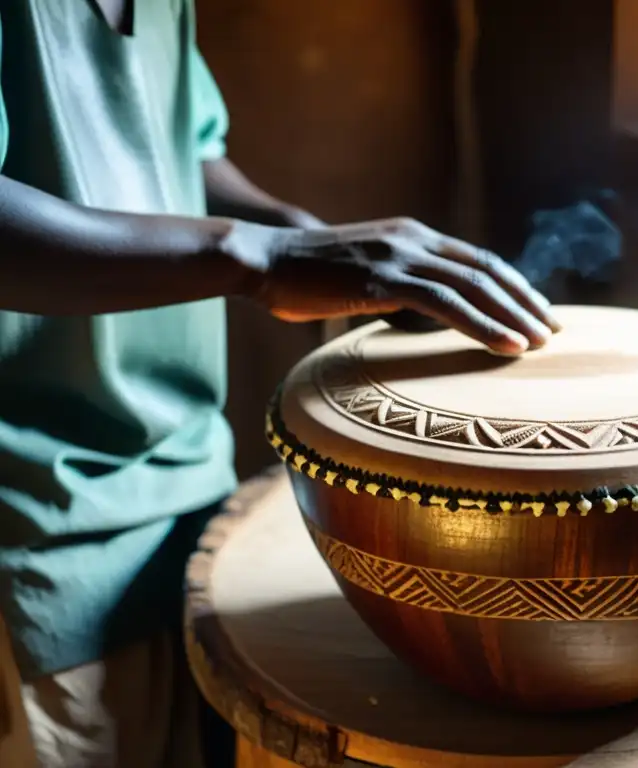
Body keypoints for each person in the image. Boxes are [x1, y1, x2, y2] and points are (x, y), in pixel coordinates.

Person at [0, 2, 560, 766]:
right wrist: (261, 254)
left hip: (188, 477)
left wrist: (304, 240)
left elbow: (184, 153)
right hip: (39, 525)